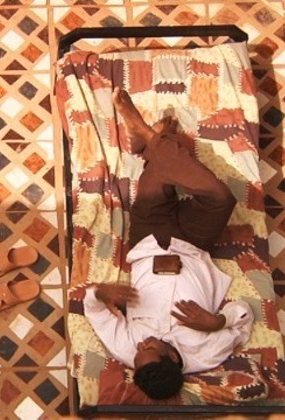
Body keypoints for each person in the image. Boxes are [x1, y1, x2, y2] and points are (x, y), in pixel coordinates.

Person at [83, 88, 254, 400]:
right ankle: (152, 141)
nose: (141, 344)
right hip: (194, 243)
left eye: (138, 352)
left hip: (149, 238)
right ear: (173, 359)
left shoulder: (126, 348)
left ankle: (153, 143)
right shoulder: (207, 352)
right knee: (221, 198)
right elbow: (243, 316)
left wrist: (101, 293)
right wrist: (218, 321)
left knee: (157, 184)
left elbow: (93, 310)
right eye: (149, 349)